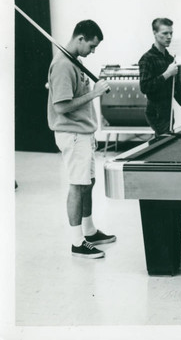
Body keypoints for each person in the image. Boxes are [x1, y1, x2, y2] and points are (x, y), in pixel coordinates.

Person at [47, 20, 116, 259]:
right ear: (80, 39)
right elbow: (62, 107)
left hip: (84, 133)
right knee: (77, 185)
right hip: (72, 134)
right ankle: (77, 243)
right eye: (92, 46)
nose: (93, 51)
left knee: (88, 183)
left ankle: (89, 230)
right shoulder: (63, 66)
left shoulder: (74, 62)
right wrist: (94, 94)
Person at [139, 18, 181, 136]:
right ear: (155, 34)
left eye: (171, 33)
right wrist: (167, 74)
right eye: (165, 33)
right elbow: (144, 87)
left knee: (165, 142)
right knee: (164, 141)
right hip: (155, 113)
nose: (169, 37)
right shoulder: (147, 58)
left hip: (168, 113)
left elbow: (176, 89)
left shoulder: (170, 59)